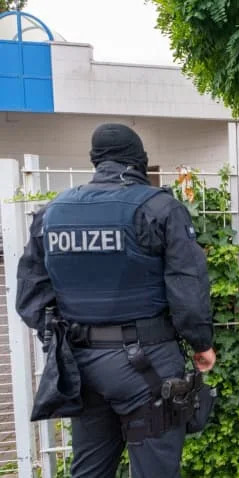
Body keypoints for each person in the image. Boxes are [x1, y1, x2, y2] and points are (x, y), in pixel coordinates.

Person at [16, 123, 216, 478]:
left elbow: (30, 294)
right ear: (139, 160)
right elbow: (188, 285)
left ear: (96, 160)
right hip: (147, 364)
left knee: (90, 469)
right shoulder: (158, 208)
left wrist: (59, 339)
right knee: (155, 468)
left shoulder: (52, 213)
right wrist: (201, 343)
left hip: (81, 365)